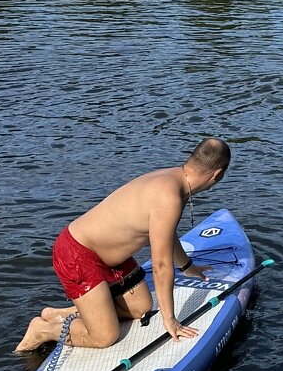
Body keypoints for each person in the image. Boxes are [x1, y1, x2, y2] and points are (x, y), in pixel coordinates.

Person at [14, 137, 231, 354]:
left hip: (109, 257)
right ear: (217, 175)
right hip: (78, 253)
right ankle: (43, 330)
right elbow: (161, 265)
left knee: (141, 308)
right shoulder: (170, 197)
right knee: (105, 336)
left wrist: (187, 267)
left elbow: (166, 234)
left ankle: (59, 314)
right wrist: (170, 320)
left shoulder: (174, 180)